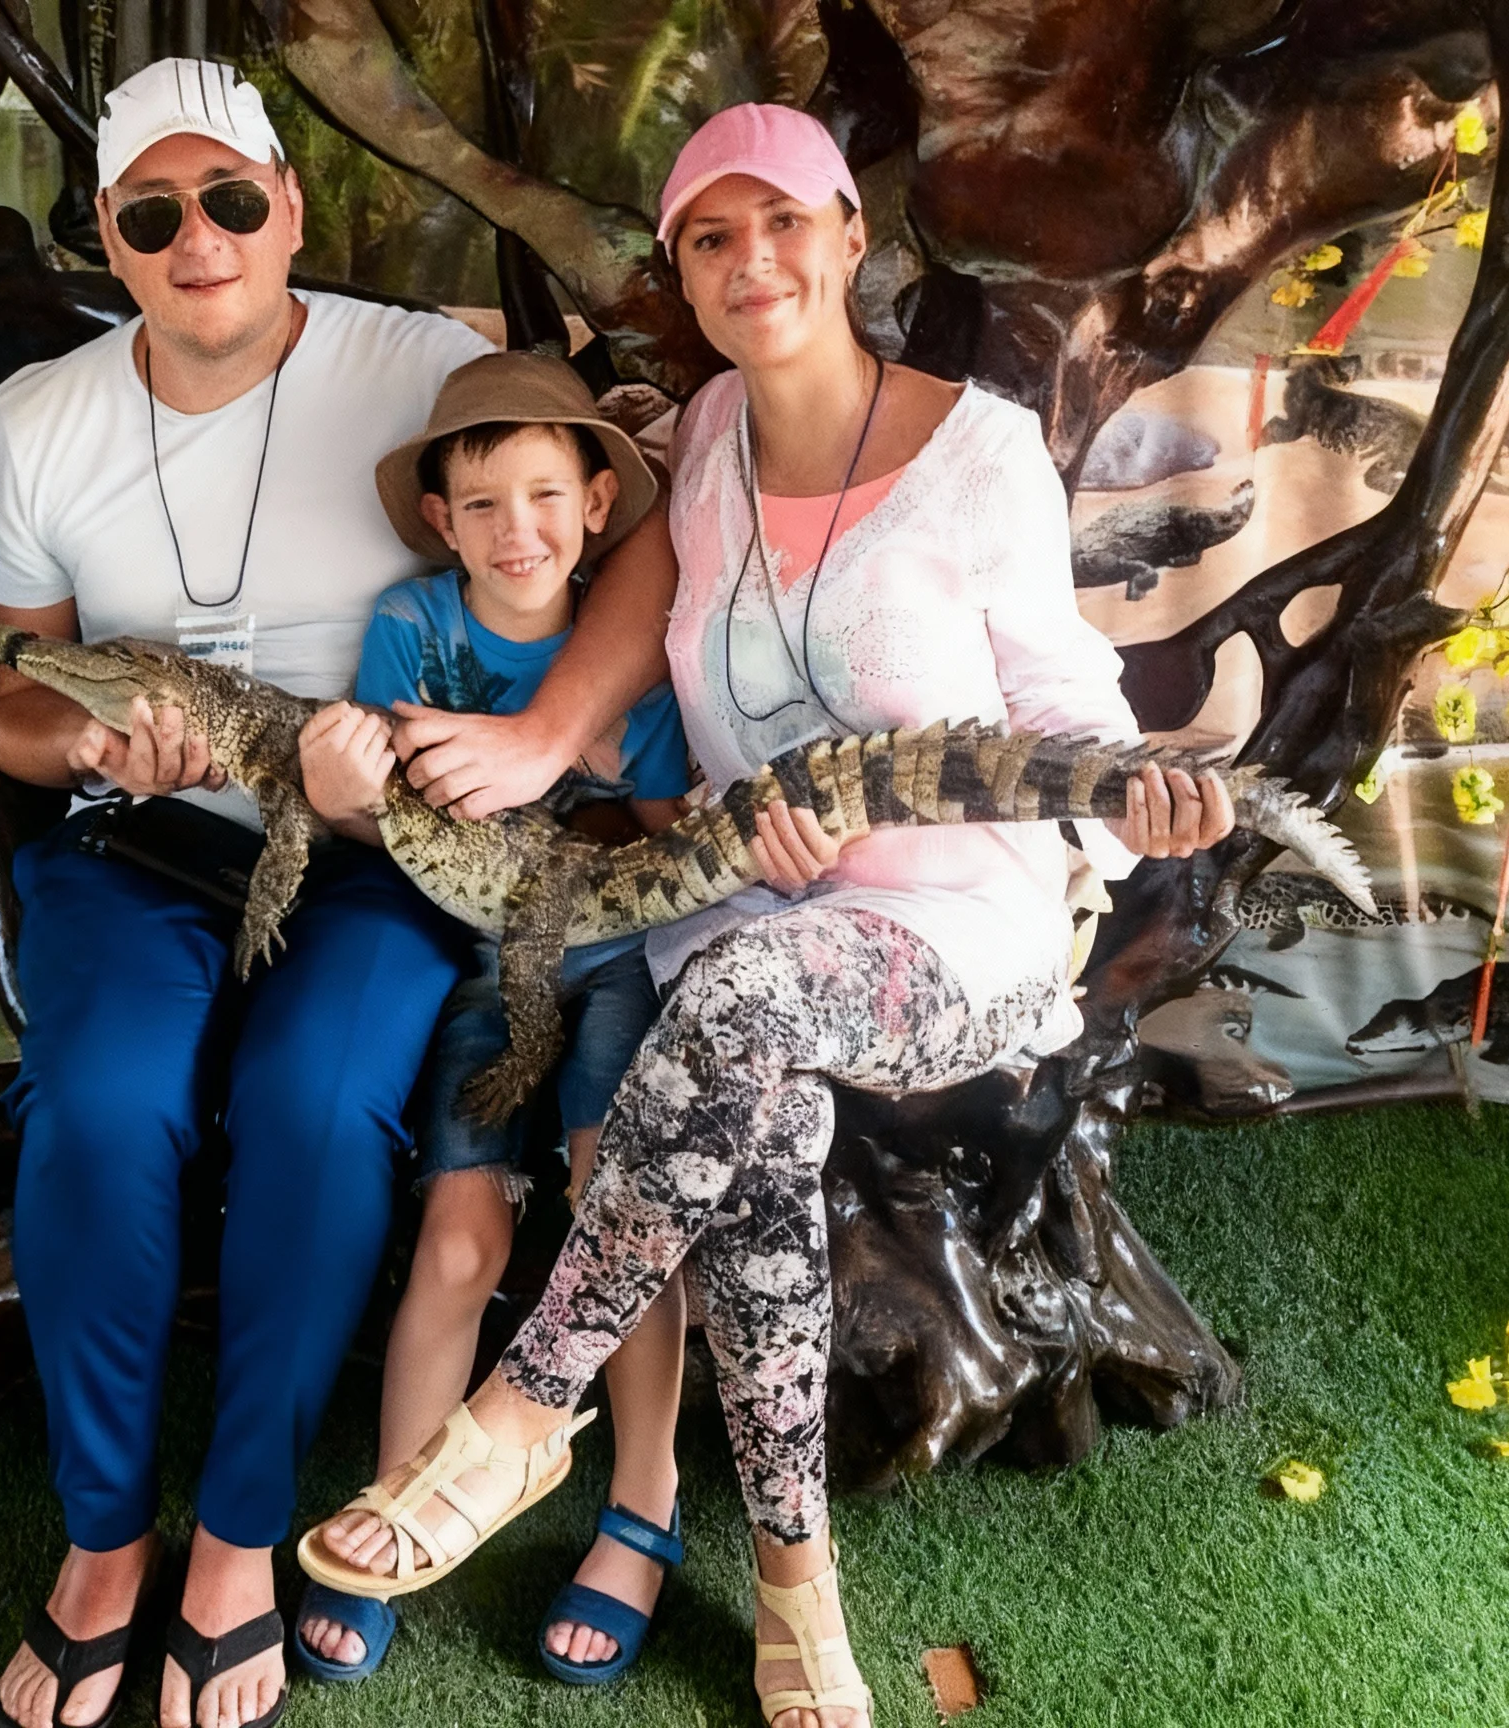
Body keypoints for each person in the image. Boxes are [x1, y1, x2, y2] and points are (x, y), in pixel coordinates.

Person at [301, 103, 1236, 1728]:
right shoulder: (708, 438)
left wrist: (1132, 785)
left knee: (745, 1006)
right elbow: (640, 594)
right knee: (756, 1138)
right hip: (744, 907)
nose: (754, 262)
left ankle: (526, 1406)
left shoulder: (981, 453)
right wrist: (543, 740)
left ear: (850, 236)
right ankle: (798, 1587)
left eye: (785, 221)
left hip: (953, 925)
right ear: (681, 267)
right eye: (712, 238)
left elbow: (1059, 692)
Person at [0, 56, 496, 1728]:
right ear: (108, 237)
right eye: (153, 215)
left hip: (372, 847)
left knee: (317, 1107)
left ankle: (241, 1532)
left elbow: (616, 552)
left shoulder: (427, 370)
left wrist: (542, 738)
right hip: (140, 847)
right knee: (103, 1105)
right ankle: (105, 1536)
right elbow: (2, 695)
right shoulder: (38, 423)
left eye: (233, 199)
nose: (200, 239)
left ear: (291, 207)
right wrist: (84, 746)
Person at [290, 353, 694, 1686]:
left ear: (594, 506)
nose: (516, 529)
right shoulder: (411, 629)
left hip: (616, 957)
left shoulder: (627, 657)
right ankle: (403, 1493)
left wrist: (604, 755)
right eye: (481, 503)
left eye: (544, 495)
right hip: (482, 964)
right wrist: (340, 794)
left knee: (615, 1203)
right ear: (441, 522)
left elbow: (666, 833)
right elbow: (382, 817)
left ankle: (643, 1500)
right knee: (459, 1232)